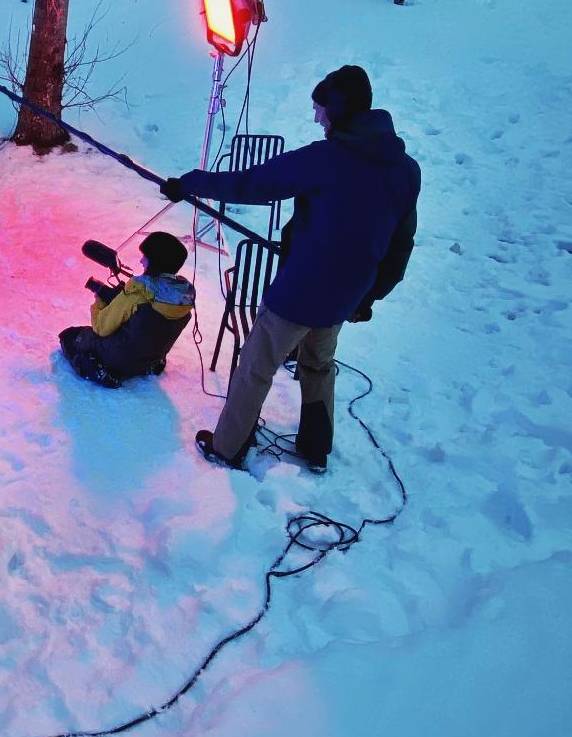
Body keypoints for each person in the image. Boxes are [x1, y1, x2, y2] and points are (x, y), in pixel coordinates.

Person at [161, 65, 419, 471]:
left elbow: (254, 183)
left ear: (340, 109)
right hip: (346, 295)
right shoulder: (406, 170)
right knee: (319, 364)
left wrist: (191, 183)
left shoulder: (327, 158)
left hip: (301, 292)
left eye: (322, 110)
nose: (317, 119)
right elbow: (400, 246)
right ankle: (316, 448)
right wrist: (369, 296)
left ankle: (227, 447)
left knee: (255, 367)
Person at [58, 230, 195, 388]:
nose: (142, 261)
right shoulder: (183, 296)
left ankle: (102, 372)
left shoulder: (137, 292)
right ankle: (148, 366)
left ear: (156, 262)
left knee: (71, 336)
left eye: (146, 257)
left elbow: (101, 328)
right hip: (151, 356)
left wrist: (99, 302)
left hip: (120, 356)